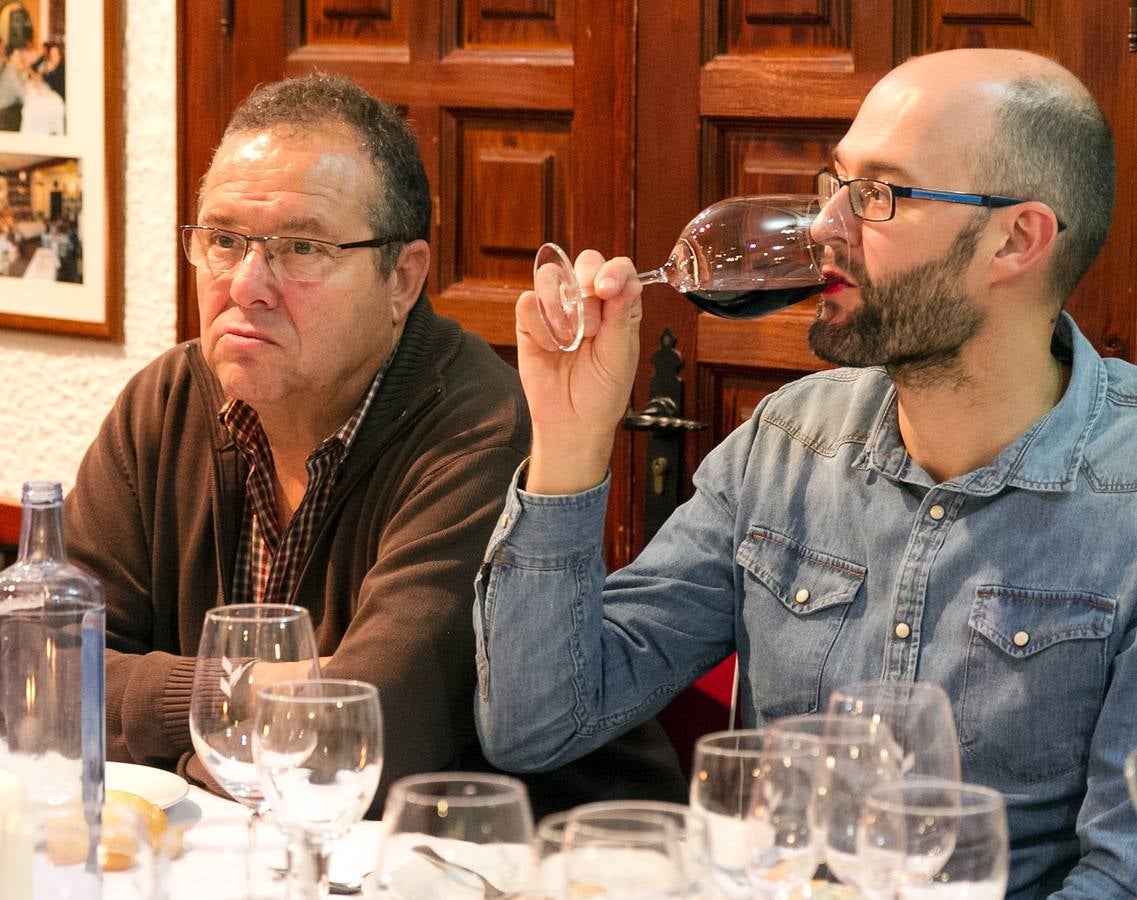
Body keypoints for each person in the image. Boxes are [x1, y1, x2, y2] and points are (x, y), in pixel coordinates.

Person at [474, 48, 1136, 897]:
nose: (825, 224)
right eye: (835, 182)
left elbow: (1117, 878)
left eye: (877, 195)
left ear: (1016, 237)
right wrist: (567, 440)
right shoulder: (787, 440)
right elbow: (537, 724)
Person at [63, 73, 684, 814]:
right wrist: (251, 696)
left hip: (533, 862)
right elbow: (44, 668)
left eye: (301, 246)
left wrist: (174, 717)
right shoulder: (164, 404)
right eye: (223, 240)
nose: (246, 284)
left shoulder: (481, 425)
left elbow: (362, 737)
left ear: (403, 277)